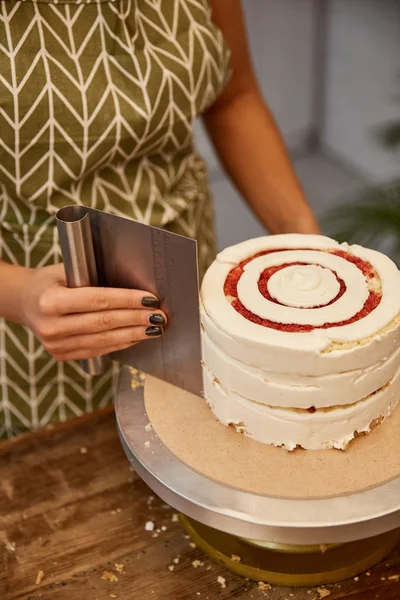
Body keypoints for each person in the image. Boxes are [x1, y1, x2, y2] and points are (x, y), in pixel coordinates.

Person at [0, 0, 320, 438]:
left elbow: (232, 97)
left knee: (201, 438)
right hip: (40, 309)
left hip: (187, 269)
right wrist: (20, 295)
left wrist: (310, 244)